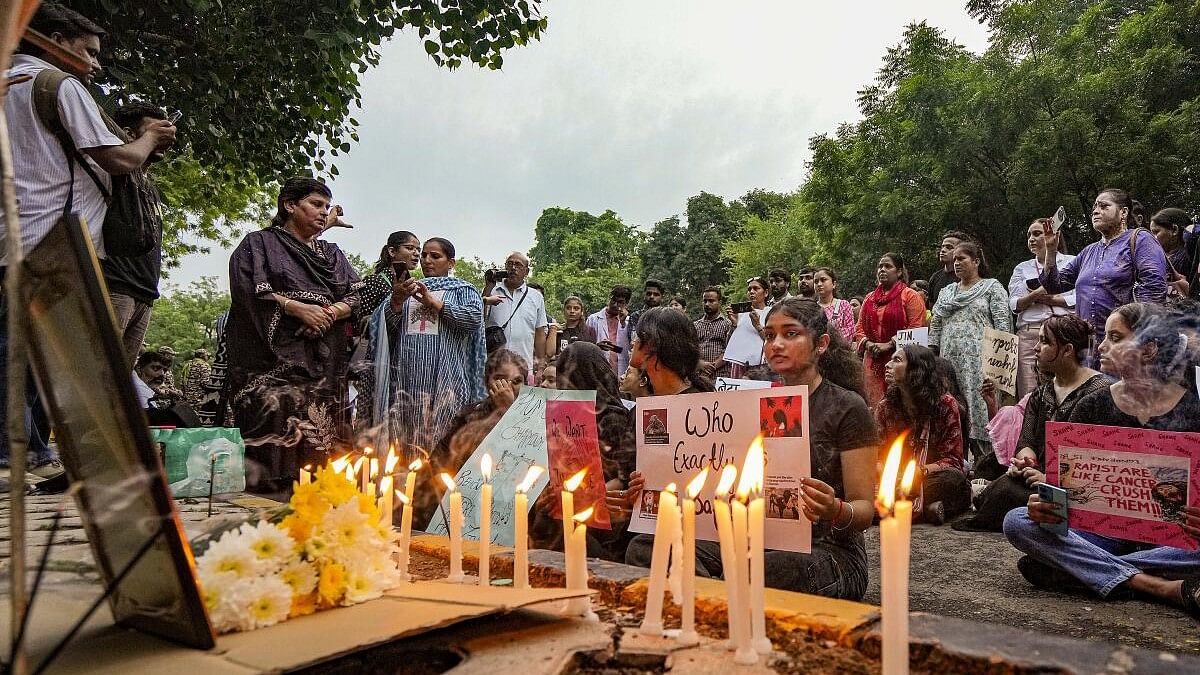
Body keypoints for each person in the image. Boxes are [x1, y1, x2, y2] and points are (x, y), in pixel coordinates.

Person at [1, 3, 177, 483]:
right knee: (53, 359)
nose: (96, 64)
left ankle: (25, 451)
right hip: (56, 239)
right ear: (55, 41)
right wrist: (147, 139)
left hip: (12, 237)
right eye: (89, 52)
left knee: (19, 350)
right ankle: (25, 456)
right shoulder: (60, 85)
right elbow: (120, 159)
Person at [627, 299, 877, 600]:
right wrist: (651, 488)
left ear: (821, 344)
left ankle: (711, 597)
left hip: (827, 551)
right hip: (754, 538)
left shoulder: (847, 407)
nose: (777, 344)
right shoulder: (751, 401)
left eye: (791, 334)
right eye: (770, 336)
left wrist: (835, 509)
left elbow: (865, 509)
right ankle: (710, 601)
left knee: (755, 570)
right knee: (647, 545)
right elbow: (711, 475)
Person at [1004, 303, 1200, 615]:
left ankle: (1080, 570)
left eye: (1116, 337)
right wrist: (1047, 507)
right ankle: (1155, 585)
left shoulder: (1192, 408)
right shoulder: (1092, 405)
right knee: (1017, 522)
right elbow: (1065, 494)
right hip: (1102, 534)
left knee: (1042, 560)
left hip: (1171, 543)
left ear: (1148, 349)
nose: (1103, 347)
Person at [225, 178, 361, 491]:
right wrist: (296, 308)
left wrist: (329, 312)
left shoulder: (332, 254)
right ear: (289, 205)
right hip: (272, 366)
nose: (323, 211)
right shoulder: (259, 245)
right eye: (316, 204)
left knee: (321, 453)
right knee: (274, 453)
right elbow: (248, 291)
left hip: (323, 368)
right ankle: (268, 516)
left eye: (327, 206)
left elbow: (358, 294)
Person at [961, 315, 1107, 531]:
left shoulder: (1100, 392)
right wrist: (1027, 465)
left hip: (1082, 490)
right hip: (1040, 478)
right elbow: (1026, 441)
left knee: (1009, 500)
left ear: (1067, 350)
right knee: (1002, 486)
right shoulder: (1042, 393)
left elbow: (1098, 460)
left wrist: (1050, 479)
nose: (1036, 347)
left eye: (1045, 342)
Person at [371, 237, 486, 454]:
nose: (426, 260)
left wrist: (434, 302)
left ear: (451, 263)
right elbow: (387, 330)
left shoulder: (463, 290)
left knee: (443, 447)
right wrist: (395, 302)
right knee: (406, 444)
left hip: (447, 380)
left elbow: (473, 318)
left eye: (435, 256)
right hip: (407, 382)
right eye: (424, 255)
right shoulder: (407, 289)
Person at [531, 341, 637, 560]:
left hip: (604, 513)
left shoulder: (612, 418)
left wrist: (586, 497)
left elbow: (622, 477)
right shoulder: (562, 416)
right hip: (569, 503)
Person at [1040, 189, 1169, 361]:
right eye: (1094, 207)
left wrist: (1138, 337)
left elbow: (1154, 288)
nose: (1095, 211)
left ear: (1123, 212)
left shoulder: (1141, 239)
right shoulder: (1089, 251)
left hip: (1124, 347)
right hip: (1089, 348)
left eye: (1104, 206)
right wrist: (1051, 249)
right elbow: (1054, 285)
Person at [418, 349, 528, 528]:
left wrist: (509, 412)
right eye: (499, 379)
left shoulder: (531, 420)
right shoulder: (469, 416)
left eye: (516, 381)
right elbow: (438, 461)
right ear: (487, 383)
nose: (506, 387)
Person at [930, 241, 1013, 465]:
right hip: (949, 361)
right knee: (953, 407)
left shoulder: (992, 287)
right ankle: (954, 463)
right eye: (954, 259)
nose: (956, 263)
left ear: (976, 261)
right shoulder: (947, 292)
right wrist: (932, 354)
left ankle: (985, 465)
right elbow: (936, 324)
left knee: (980, 409)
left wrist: (999, 368)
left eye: (962, 259)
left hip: (980, 363)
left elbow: (1002, 326)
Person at [101, 103, 170, 367]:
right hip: (114, 286)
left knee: (120, 384)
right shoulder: (113, 171)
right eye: (156, 130)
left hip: (145, 294)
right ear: (129, 134)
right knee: (100, 374)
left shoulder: (149, 186)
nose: (165, 137)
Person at [876, 345, 970, 524]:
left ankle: (900, 506)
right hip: (894, 478)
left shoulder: (946, 405)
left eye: (896, 360)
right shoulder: (885, 407)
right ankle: (927, 509)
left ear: (916, 370)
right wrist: (889, 474)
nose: (887, 365)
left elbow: (953, 460)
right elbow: (878, 456)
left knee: (955, 480)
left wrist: (919, 472)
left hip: (929, 478)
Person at [1008, 219, 1077, 398]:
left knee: (1068, 386)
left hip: (1063, 330)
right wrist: (1044, 290)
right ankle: (1033, 425)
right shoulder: (1021, 268)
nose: (1031, 238)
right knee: (1030, 392)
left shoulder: (1072, 261)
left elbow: (1079, 298)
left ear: (1053, 235)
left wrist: (1049, 299)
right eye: (1029, 234)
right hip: (1031, 334)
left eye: (1037, 233)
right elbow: (1014, 304)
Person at [854, 253, 926, 407]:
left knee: (900, 404)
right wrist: (868, 344)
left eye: (888, 266)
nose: (882, 270)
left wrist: (889, 344)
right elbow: (859, 327)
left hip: (902, 360)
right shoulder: (869, 298)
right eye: (880, 266)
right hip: (872, 359)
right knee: (874, 405)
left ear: (899, 272)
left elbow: (916, 327)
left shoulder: (910, 296)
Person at [483, 252, 548, 369]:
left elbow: (540, 333)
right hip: (493, 366)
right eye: (510, 264)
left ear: (526, 272)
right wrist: (488, 287)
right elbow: (478, 317)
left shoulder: (536, 297)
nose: (513, 268)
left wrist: (541, 364)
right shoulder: (492, 291)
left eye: (518, 265)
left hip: (523, 366)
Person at [629, 307, 714, 395]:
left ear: (651, 343)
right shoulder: (650, 401)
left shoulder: (695, 404)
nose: (632, 342)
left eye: (637, 336)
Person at [359, 230, 420, 316]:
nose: (417, 253)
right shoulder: (373, 281)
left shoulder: (412, 286)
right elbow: (361, 321)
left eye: (418, 250)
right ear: (392, 252)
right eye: (409, 248)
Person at [723, 276, 770, 379]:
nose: (751, 292)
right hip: (739, 363)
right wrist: (734, 324)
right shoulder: (741, 314)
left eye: (756, 288)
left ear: (765, 293)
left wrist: (758, 326)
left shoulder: (771, 313)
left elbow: (770, 340)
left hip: (760, 366)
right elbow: (730, 344)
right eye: (749, 289)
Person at [586, 285, 632, 375]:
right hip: (598, 368)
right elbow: (586, 345)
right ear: (609, 299)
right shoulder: (593, 319)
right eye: (613, 300)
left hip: (621, 370)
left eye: (620, 302)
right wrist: (597, 346)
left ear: (626, 304)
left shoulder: (629, 321)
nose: (615, 305)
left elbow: (630, 347)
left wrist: (623, 323)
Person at [1148, 208, 1194, 298]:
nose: (1152, 238)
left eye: (1156, 232)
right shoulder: (1160, 256)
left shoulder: (1187, 257)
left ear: (1174, 230)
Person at [694, 286, 733, 379]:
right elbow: (690, 349)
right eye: (705, 301)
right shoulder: (695, 325)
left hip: (721, 375)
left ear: (719, 302)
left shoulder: (728, 324)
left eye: (711, 301)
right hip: (698, 375)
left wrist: (711, 367)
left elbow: (729, 351)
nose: (707, 304)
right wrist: (700, 364)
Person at [927, 231, 972, 305]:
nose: (943, 250)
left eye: (949, 247)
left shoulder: (968, 277)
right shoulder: (935, 278)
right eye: (942, 246)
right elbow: (932, 309)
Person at [813, 267, 855, 341]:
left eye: (823, 280)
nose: (819, 284)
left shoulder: (844, 305)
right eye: (816, 282)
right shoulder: (811, 308)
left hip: (839, 350)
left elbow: (849, 331)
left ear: (834, 284)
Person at [624, 279, 665, 346]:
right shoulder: (636, 316)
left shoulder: (667, 317)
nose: (652, 297)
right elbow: (633, 340)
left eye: (656, 294)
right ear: (644, 295)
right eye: (649, 294)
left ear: (662, 297)